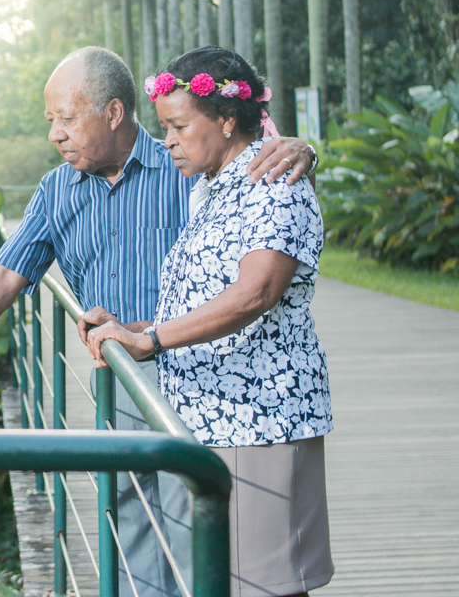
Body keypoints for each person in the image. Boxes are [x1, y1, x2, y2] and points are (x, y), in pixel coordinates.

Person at [0, 46, 316, 597]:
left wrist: (302, 150)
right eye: (51, 121)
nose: (55, 135)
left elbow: (250, 170)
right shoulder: (56, 190)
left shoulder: (184, 161)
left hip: (198, 383)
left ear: (114, 113)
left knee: (201, 536)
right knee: (130, 518)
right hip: (115, 377)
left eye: (67, 119)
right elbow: (5, 275)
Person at [82, 46, 333, 597]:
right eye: (163, 126)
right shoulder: (211, 190)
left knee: (266, 586)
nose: (166, 139)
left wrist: (149, 339)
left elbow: (255, 293)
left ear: (225, 118)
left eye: (177, 125)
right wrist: (130, 327)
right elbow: (207, 297)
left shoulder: (275, 181)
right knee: (223, 582)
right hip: (213, 422)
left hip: (259, 419)